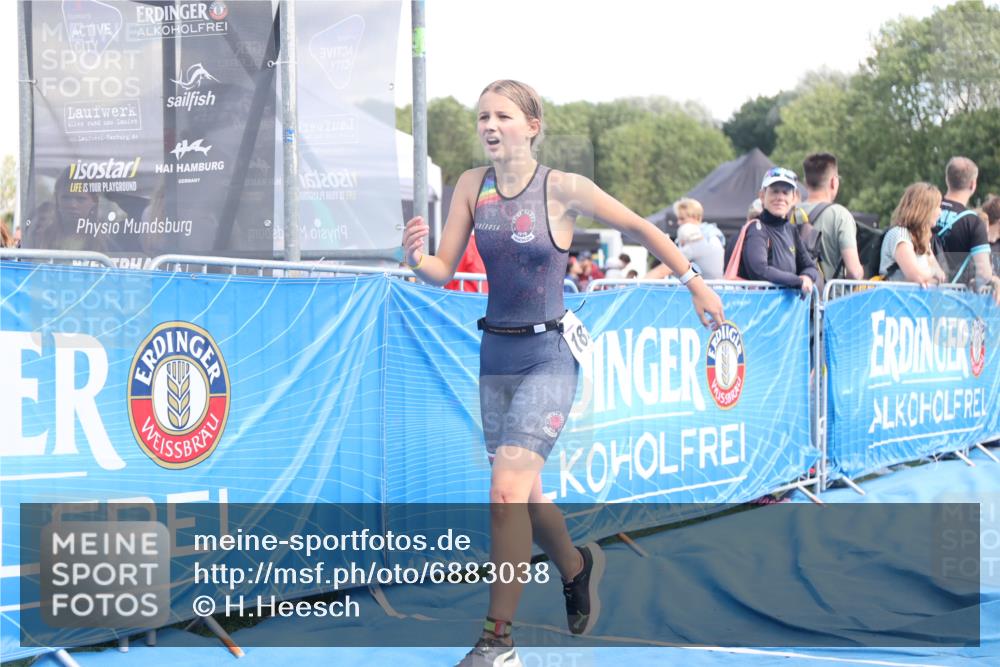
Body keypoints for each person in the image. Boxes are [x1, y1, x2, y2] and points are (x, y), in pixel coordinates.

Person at [401, 79, 725, 667]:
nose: (489, 126)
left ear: (533, 125)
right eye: (481, 118)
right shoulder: (471, 187)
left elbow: (644, 229)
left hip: (549, 355)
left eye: (502, 115)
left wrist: (694, 283)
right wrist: (416, 258)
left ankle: (498, 641)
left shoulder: (563, 187)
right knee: (524, 496)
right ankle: (576, 566)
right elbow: (443, 268)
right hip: (494, 354)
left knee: (504, 491)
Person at [739, 167, 819, 297]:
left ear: (794, 198)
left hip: (787, 313)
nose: (780, 197)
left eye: (785, 192)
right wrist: (798, 282)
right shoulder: (757, 229)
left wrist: (807, 277)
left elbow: (810, 267)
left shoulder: (791, 230)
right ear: (762, 196)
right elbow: (759, 270)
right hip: (760, 311)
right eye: (774, 191)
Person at [934, 156, 1000, 301]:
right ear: (973, 184)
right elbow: (983, 272)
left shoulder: (927, 209)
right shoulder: (973, 222)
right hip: (953, 303)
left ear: (947, 179)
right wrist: (993, 279)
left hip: (919, 296)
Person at [798, 153, 864, 280]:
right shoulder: (840, 216)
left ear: (805, 182)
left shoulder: (791, 212)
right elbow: (854, 272)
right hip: (830, 297)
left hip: (793, 296)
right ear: (834, 182)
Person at [878, 182, 947, 286]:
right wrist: (932, 273)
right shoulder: (900, 235)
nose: (940, 212)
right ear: (924, 209)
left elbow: (941, 277)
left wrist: (928, 277)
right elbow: (916, 276)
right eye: (937, 206)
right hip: (895, 299)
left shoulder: (922, 238)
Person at [671, 198, 724, 279]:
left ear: (696, 217)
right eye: (678, 219)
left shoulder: (711, 236)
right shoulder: (681, 238)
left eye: (682, 218)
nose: (678, 222)